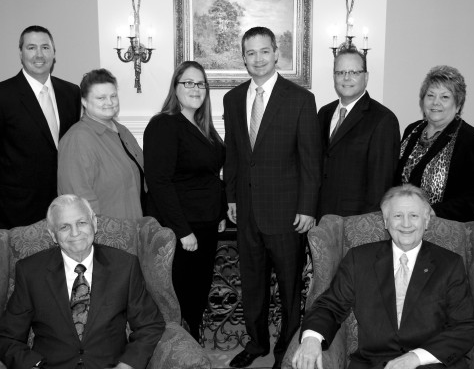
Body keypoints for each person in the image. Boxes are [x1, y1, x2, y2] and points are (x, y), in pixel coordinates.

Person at [292, 184, 474, 369]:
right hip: (373, 363)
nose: (406, 224)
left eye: (413, 216)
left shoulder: (449, 264)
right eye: (398, 216)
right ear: (386, 221)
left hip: (429, 362)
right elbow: (330, 306)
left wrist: (415, 357)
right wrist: (312, 339)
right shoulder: (359, 259)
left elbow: (464, 326)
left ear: (427, 221)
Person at [223, 26, 322, 369]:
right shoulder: (233, 99)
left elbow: (311, 159)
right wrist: (232, 198)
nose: (258, 59)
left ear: (277, 53)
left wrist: (308, 207)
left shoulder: (299, 98)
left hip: (286, 212)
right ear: (244, 57)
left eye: (264, 51)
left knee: (290, 286)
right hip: (247, 211)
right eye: (250, 53)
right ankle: (256, 342)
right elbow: (234, 154)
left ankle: (288, 346)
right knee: (252, 282)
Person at [0, 194, 165, 369]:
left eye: (81, 223)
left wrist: (127, 365)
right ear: (52, 234)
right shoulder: (30, 271)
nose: (75, 233)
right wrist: (33, 366)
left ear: (94, 223)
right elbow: (8, 337)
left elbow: (149, 325)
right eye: (64, 226)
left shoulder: (125, 266)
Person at [143, 60, 226, 341]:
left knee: (199, 289)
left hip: (206, 222)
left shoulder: (204, 127)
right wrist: (183, 230)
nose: (195, 88)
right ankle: (180, 346)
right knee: (182, 292)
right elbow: (159, 182)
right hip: (183, 228)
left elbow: (209, 176)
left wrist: (221, 212)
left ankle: (192, 342)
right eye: (188, 83)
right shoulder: (164, 125)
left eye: (201, 83)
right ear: (175, 88)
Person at [0, 25, 81, 229]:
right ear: (20, 53)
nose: (39, 54)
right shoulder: (4, 95)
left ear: (54, 53)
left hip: (64, 203)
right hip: (17, 208)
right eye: (31, 47)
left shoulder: (71, 92)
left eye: (45, 47)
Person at [395, 65, 474, 222]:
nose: (435, 103)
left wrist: (433, 212)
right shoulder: (412, 130)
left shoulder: (472, 139)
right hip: (406, 222)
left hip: (447, 227)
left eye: (445, 97)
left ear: (458, 104)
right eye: (430, 95)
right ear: (422, 100)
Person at [317, 48, 400, 219]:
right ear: (334, 77)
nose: (346, 78)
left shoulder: (383, 119)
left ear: (366, 77)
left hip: (357, 220)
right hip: (321, 217)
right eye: (340, 72)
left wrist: (366, 228)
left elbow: (381, 185)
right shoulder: (324, 113)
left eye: (354, 72)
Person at [58, 69, 146, 219]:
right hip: (106, 235)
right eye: (101, 98)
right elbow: (80, 200)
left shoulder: (122, 131)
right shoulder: (78, 139)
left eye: (113, 96)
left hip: (132, 228)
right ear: (84, 101)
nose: (109, 102)